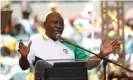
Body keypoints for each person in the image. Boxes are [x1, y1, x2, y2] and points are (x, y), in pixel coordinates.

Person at [18, 12, 118, 71]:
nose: (58, 26)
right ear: (45, 25)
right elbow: (24, 66)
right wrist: (23, 57)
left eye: (61, 24)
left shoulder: (71, 43)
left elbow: (88, 64)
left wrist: (101, 54)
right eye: (54, 22)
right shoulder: (35, 42)